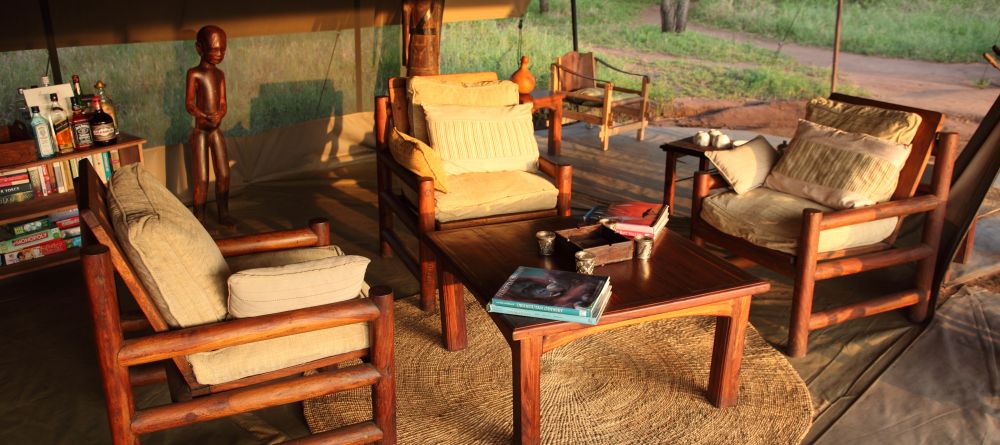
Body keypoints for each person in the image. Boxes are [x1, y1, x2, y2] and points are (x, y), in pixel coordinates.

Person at [186, 25, 233, 226]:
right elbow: (189, 104)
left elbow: (223, 103)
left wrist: (220, 113)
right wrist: (204, 115)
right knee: (202, 179)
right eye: (214, 49)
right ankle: (200, 218)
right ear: (199, 48)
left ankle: (224, 213)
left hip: (215, 130)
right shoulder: (194, 74)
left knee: (224, 174)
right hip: (200, 132)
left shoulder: (219, 75)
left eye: (222, 49)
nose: (218, 54)